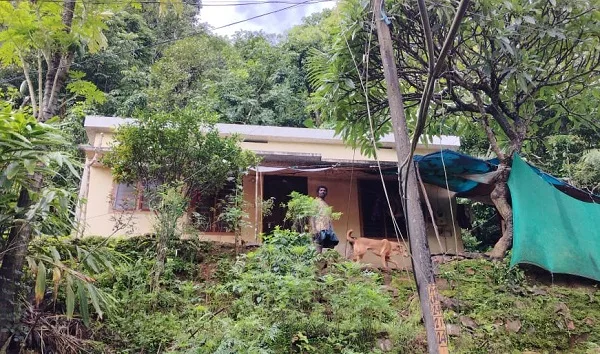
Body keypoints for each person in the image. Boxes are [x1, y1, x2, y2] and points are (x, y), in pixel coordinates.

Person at [310, 185, 339, 253]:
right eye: (321, 190)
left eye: (324, 191)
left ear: (326, 193)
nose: (323, 192)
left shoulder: (326, 204)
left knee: (331, 247)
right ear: (318, 192)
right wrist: (314, 229)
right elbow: (312, 217)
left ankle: (327, 263)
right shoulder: (315, 202)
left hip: (327, 229)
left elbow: (329, 218)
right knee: (318, 249)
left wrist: (332, 229)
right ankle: (318, 262)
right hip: (319, 229)